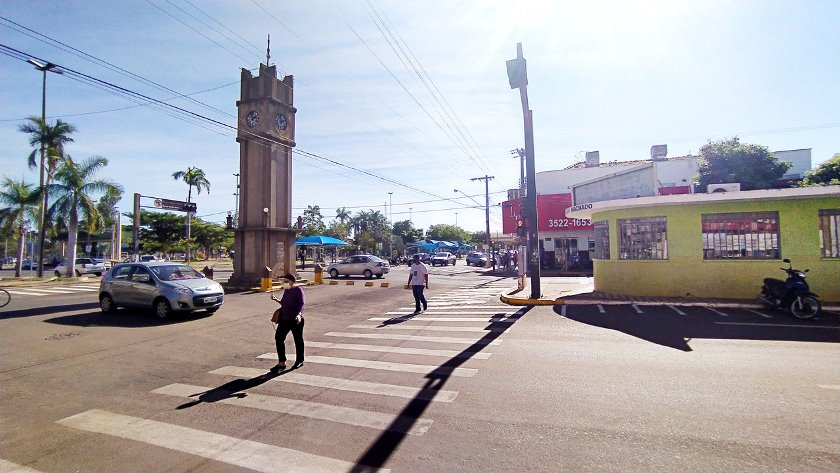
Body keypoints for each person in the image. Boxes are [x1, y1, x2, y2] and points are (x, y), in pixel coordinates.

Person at [269, 273, 305, 371]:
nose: (284, 283)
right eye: (284, 281)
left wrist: (299, 315)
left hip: (295, 320)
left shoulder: (298, 290)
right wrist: (276, 299)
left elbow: (301, 304)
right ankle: (282, 362)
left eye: (286, 281)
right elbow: (284, 303)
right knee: (279, 338)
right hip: (284, 319)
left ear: (292, 281)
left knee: (298, 340)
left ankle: (299, 360)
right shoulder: (286, 291)